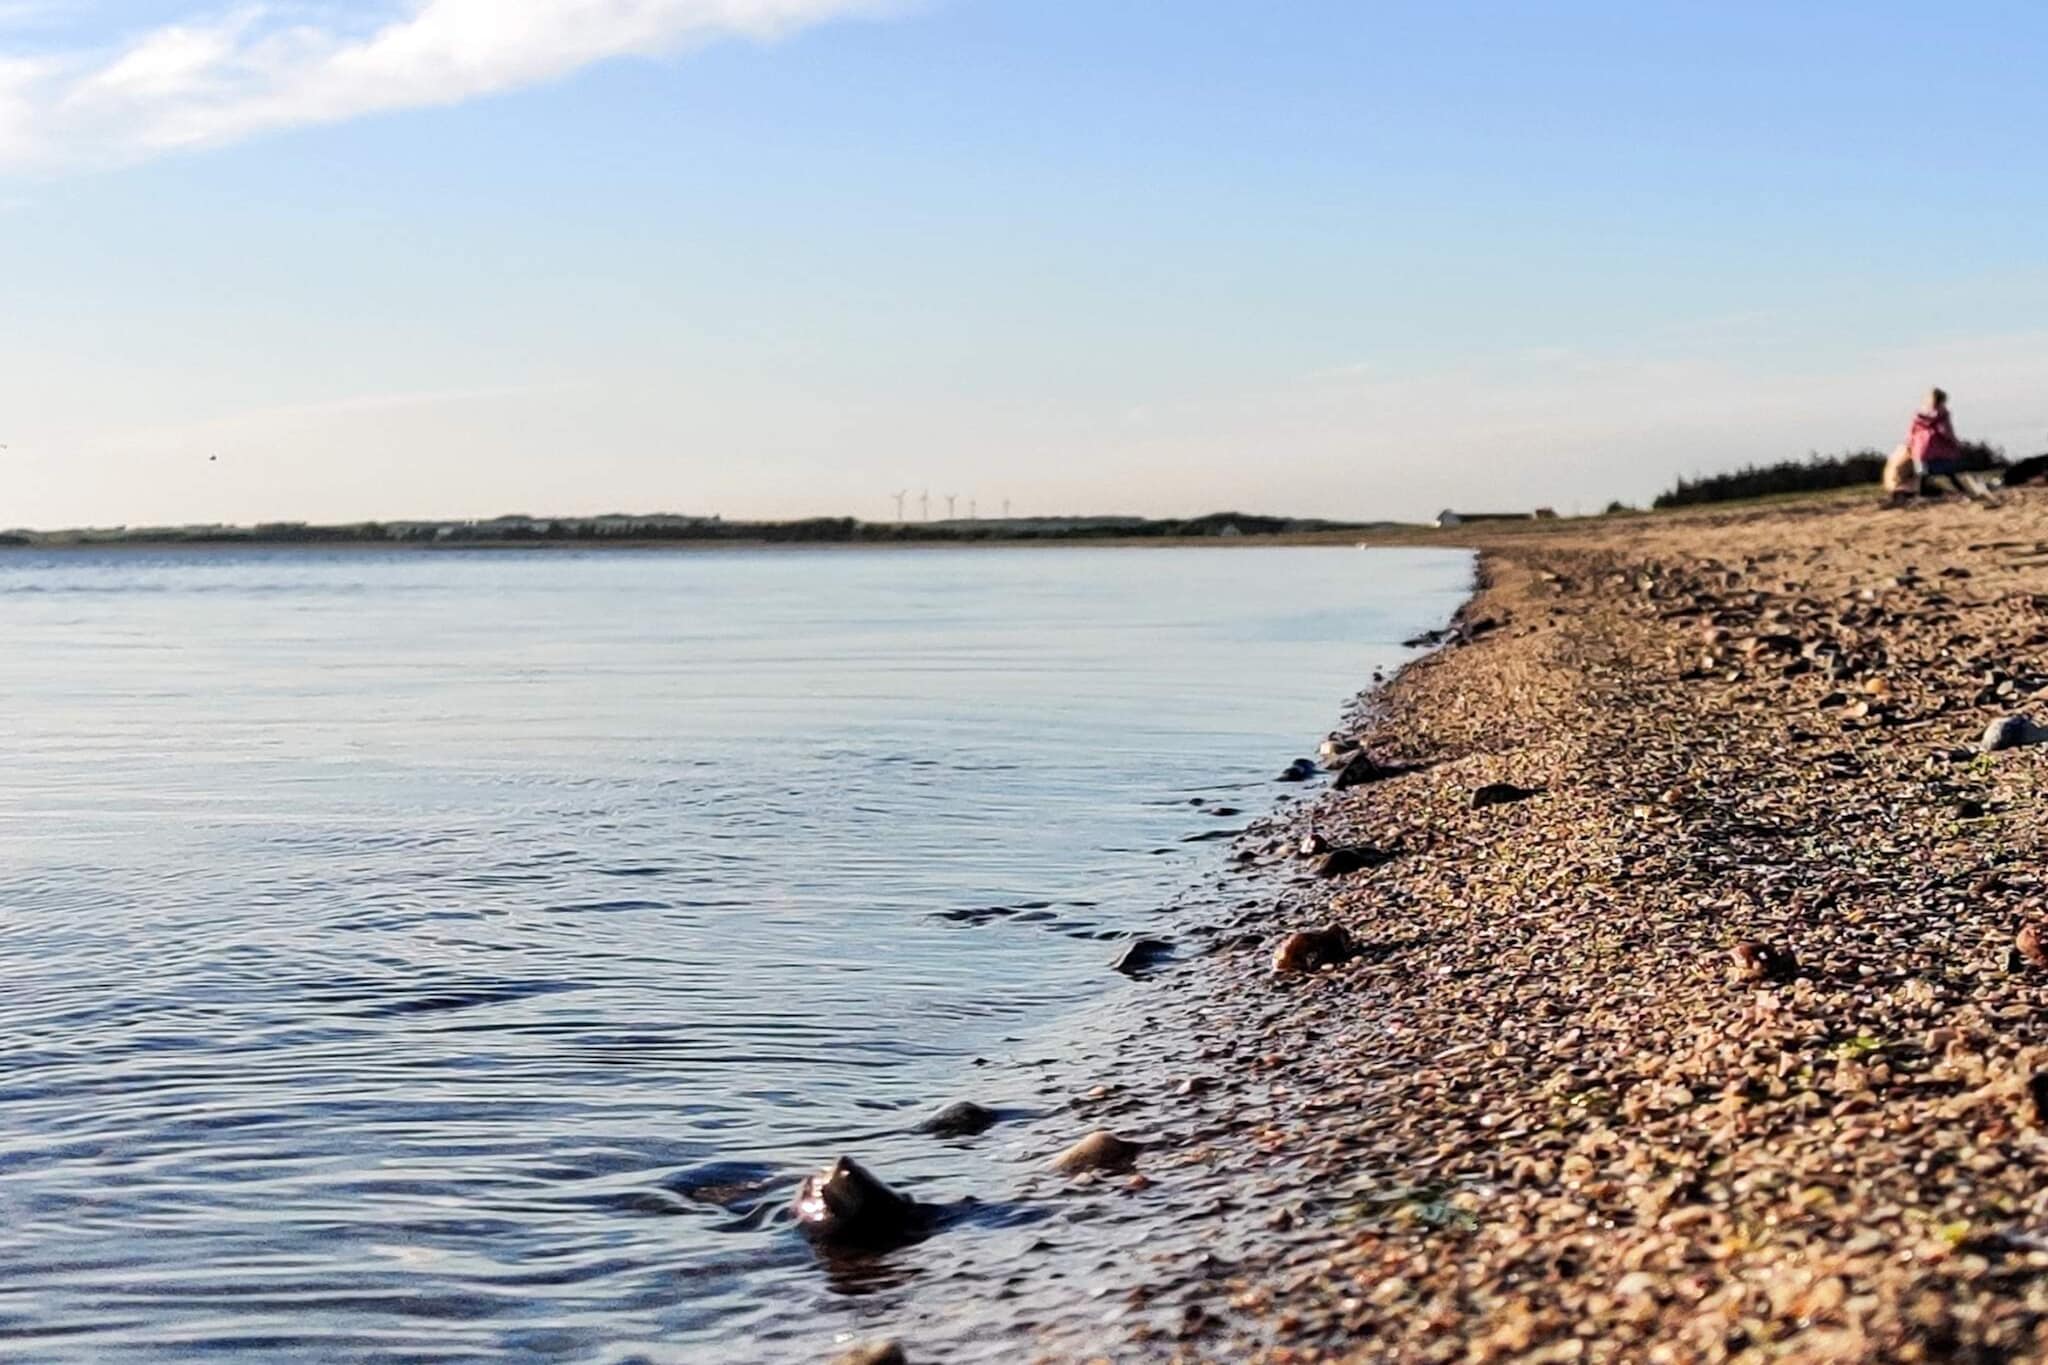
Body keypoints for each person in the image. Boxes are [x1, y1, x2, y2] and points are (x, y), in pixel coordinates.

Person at [1907, 388, 1993, 500]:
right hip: (1938, 446)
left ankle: (1920, 494)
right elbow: (1944, 430)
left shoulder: (1919, 414)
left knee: (1922, 472)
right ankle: (1962, 490)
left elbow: (1911, 431)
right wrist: (1955, 442)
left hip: (1920, 447)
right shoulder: (1942, 414)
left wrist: (1910, 443)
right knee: (1949, 471)